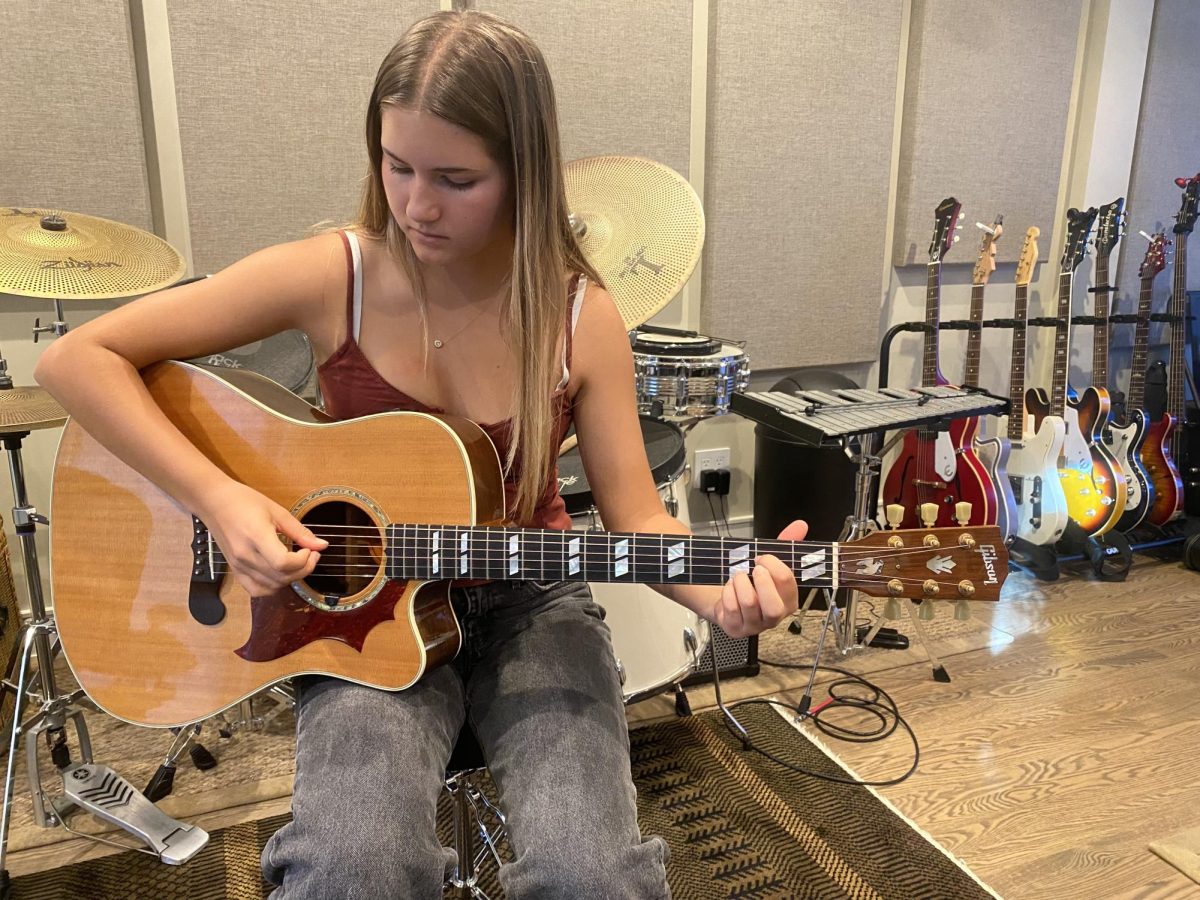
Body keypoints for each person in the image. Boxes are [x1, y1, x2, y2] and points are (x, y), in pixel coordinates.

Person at [35, 10, 806, 898]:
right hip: (356, 616)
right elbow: (75, 360)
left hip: (528, 601)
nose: (416, 205)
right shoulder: (337, 275)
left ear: (526, 171)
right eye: (396, 166)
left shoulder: (578, 317)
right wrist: (220, 499)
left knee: (593, 876)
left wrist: (728, 596)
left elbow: (637, 520)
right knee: (348, 870)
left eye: (456, 178)